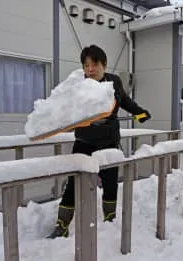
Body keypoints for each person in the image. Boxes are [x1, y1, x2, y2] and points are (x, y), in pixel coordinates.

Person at [48, 44, 151, 239]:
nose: (90, 69)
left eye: (94, 64)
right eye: (86, 65)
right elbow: (62, 109)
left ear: (104, 64)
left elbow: (124, 101)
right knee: (73, 182)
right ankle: (62, 224)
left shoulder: (114, 82)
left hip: (108, 140)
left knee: (110, 181)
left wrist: (139, 112)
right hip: (84, 141)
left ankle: (110, 219)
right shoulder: (78, 86)